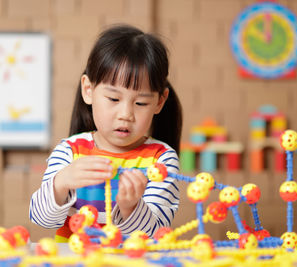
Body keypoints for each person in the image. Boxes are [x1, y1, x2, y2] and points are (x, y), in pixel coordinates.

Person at [29, 24, 183, 242]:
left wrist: (130, 208)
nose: (126, 114)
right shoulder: (69, 151)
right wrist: (60, 183)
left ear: (159, 102)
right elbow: (41, 219)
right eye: (113, 99)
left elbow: (157, 233)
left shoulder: (161, 159)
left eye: (140, 102)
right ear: (88, 90)